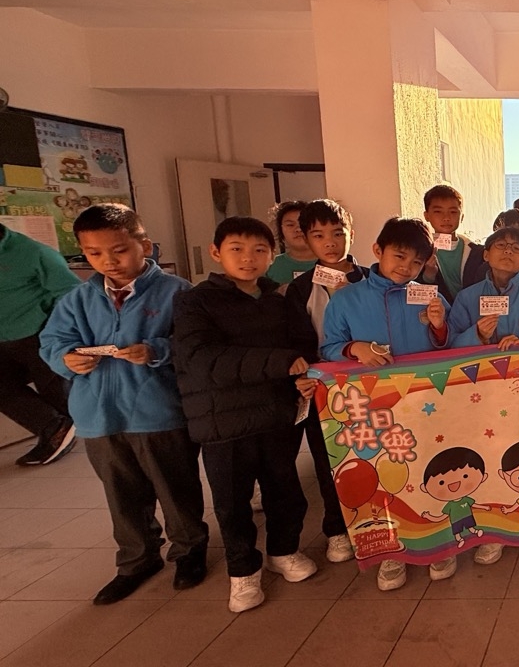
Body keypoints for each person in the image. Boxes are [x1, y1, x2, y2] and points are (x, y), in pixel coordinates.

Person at [38, 204, 209, 604]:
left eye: (119, 250)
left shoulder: (176, 292)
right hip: (99, 415)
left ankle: (189, 551)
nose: (108, 261)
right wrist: (66, 358)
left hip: (158, 412)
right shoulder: (78, 299)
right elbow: (52, 341)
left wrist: (155, 350)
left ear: (144, 246)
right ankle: (137, 559)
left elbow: (194, 343)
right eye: (94, 253)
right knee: (121, 493)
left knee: (176, 487)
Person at [172, 216, 318, 613]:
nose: (248, 258)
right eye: (236, 249)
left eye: (259, 250)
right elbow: (201, 359)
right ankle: (243, 572)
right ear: (216, 253)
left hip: (276, 414)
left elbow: (302, 346)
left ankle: (283, 551)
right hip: (223, 421)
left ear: (272, 256)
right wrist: (280, 363)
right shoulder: (195, 301)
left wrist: (305, 376)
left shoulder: (278, 300)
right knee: (232, 502)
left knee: (285, 491)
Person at [321, 217, 452, 585]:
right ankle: (392, 551)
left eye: (416, 262)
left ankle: (439, 544)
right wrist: (354, 348)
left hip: (427, 403)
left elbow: (452, 346)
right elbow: (328, 348)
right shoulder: (346, 299)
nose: (406, 267)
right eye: (399, 256)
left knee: (431, 471)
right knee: (384, 475)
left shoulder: (429, 296)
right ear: (377, 250)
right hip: (373, 408)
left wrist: (439, 326)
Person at [448, 227, 519, 561]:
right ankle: (494, 531)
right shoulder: (467, 298)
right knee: (488, 455)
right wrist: (477, 335)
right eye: (501, 245)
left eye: (516, 248)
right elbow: (448, 345)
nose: (508, 251)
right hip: (479, 393)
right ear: (486, 254)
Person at [283, 199, 364, 564]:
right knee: (328, 458)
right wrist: (302, 375)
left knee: (374, 453)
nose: (330, 242)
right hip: (323, 390)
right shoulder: (299, 290)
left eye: (337, 233)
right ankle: (336, 528)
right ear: (306, 239)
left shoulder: (372, 279)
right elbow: (297, 342)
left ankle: (376, 521)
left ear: (351, 234)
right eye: (318, 235)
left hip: (372, 387)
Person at [0, 223, 79, 466]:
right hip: (3, 339)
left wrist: (56, 330)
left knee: (56, 393)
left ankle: (61, 433)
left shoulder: (34, 252)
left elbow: (70, 291)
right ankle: (54, 427)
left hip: (38, 334)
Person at [420, 185, 486, 302]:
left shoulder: (478, 252)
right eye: (438, 211)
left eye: (453, 212)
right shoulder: (420, 252)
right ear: (426, 216)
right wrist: (428, 277)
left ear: (462, 216)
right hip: (436, 311)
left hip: (471, 312)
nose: (446, 218)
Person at [265, 201, 316, 285]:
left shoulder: (332, 263)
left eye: (303, 223)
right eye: (290, 225)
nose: (298, 229)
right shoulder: (270, 266)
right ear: (280, 230)